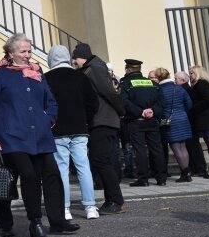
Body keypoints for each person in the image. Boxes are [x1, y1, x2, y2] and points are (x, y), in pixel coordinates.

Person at [0, 33, 78, 237]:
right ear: (11, 53)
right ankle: (33, 223)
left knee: (52, 174)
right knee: (27, 175)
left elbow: (50, 101)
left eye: (29, 51)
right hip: (12, 136)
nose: (27, 55)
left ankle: (58, 220)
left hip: (40, 134)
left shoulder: (37, 71)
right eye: (22, 51)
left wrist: (48, 118)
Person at [44, 45, 100, 220]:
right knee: (84, 167)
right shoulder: (81, 77)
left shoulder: (46, 78)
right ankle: (90, 207)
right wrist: (85, 119)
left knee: (62, 169)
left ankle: (65, 208)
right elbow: (93, 103)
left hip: (57, 129)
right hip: (79, 128)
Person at [71, 43, 127, 215]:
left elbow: (108, 92)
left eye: (75, 58)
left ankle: (116, 201)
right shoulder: (92, 68)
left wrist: (121, 110)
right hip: (103, 120)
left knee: (100, 160)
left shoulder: (94, 69)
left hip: (102, 121)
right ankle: (112, 200)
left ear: (83, 57)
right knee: (105, 161)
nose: (73, 61)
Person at [120, 58, 166, 187]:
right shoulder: (152, 83)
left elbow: (124, 102)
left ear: (128, 69)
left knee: (139, 150)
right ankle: (161, 178)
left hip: (136, 121)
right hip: (152, 120)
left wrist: (140, 112)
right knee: (156, 149)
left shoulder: (126, 84)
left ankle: (143, 179)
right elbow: (161, 101)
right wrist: (151, 111)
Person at [153, 68, 194, 182]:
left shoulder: (158, 90)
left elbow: (159, 108)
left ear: (157, 77)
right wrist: (181, 112)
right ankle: (186, 173)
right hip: (183, 119)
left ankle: (186, 174)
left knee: (176, 148)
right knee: (183, 147)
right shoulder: (179, 88)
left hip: (169, 121)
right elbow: (189, 104)